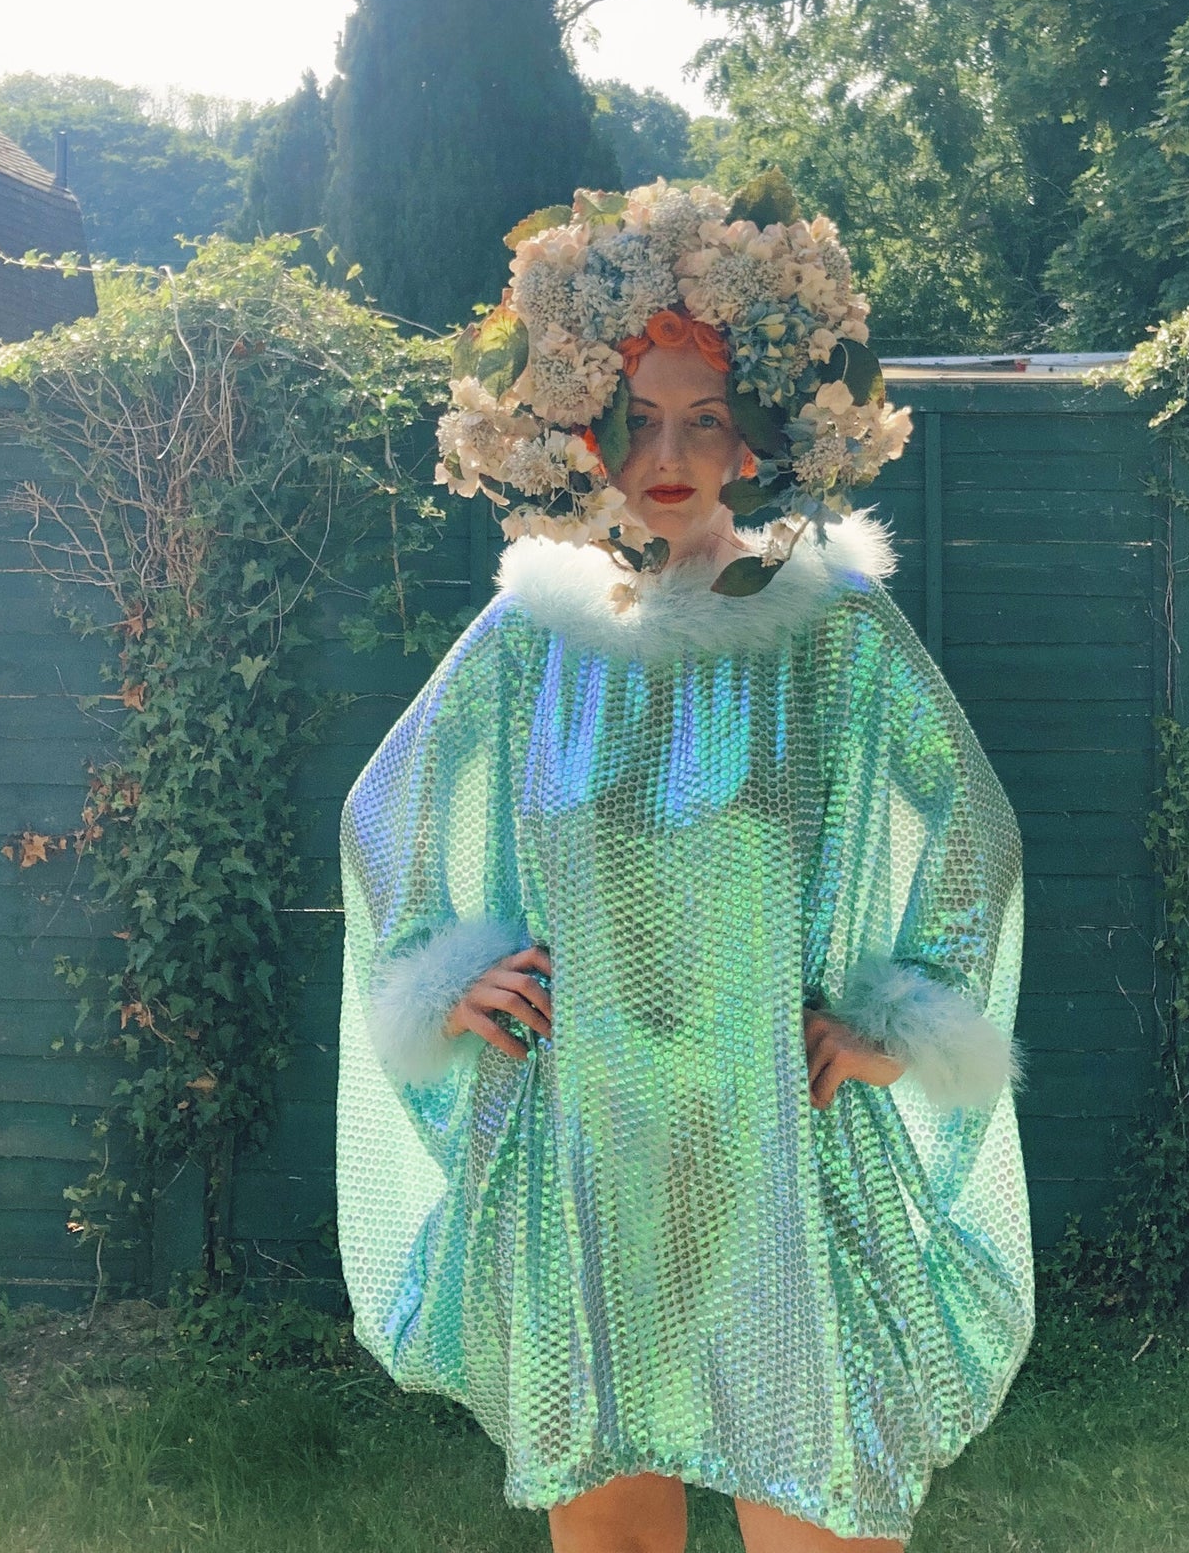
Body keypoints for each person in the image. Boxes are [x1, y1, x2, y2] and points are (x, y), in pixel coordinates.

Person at [336, 180, 1034, 1551]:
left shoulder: (830, 629)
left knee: (823, 1509)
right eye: (634, 417)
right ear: (579, 425)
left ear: (757, 431)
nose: (666, 453)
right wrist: (445, 976)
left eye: (703, 417)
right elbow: (384, 810)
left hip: (784, 1143)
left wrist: (903, 1021)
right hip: (584, 1147)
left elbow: (974, 828)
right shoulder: (532, 637)